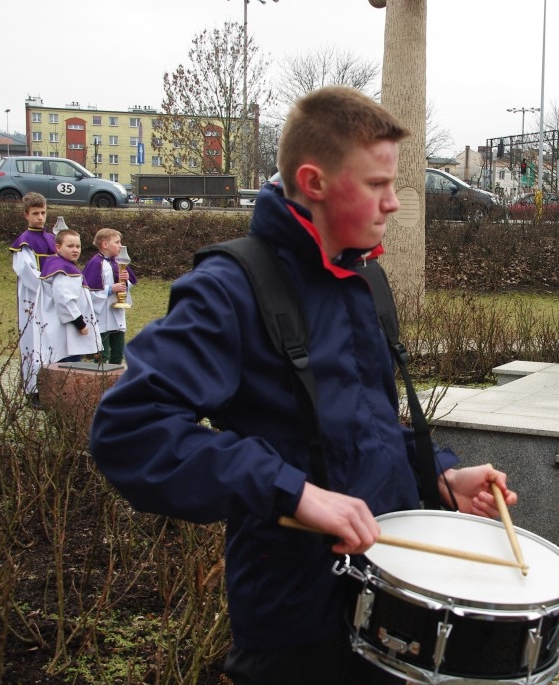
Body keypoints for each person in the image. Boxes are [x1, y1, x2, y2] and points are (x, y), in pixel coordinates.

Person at [89, 86, 517, 685]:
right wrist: (292, 491)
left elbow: (356, 424)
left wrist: (437, 473)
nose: (393, 204)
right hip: (296, 625)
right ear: (314, 182)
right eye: (376, 185)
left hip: (390, 600)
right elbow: (128, 431)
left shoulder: (361, 278)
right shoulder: (228, 290)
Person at [9, 192, 56, 405]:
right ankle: (31, 390)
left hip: (52, 298)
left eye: (43, 213)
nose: (40, 217)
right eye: (35, 213)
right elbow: (26, 271)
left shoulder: (52, 239)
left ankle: (49, 387)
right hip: (33, 296)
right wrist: (48, 285)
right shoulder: (24, 242)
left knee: (49, 341)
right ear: (26, 215)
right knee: (32, 342)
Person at [35, 228, 101, 364]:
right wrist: (80, 324)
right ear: (58, 247)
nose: (75, 250)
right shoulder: (64, 270)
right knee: (68, 368)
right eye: (70, 246)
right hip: (66, 332)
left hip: (56, 326)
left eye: (78, 246)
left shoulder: (56, 264)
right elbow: (65, 301)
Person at [83, 228, 137, 365]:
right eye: (117, 242)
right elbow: (87, 290)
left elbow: (126, 286)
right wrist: (110, 289)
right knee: (103, 353)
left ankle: (115, 381)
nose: (121, 246)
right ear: (105, 244)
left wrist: (125, 281)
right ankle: (100, 381)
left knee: (118, 351)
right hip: (102, 314)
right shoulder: (95, 263)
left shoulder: (117, 262)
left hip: (117, 312)